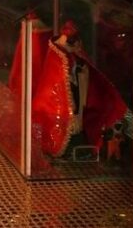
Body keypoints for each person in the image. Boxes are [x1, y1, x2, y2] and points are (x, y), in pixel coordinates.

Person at [32, 20, 127, 157]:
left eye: (75, 41)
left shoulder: (80, 63)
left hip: (79, 111)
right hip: (65, 118)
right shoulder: (56, 64)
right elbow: (49, 98)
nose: (74, 45)